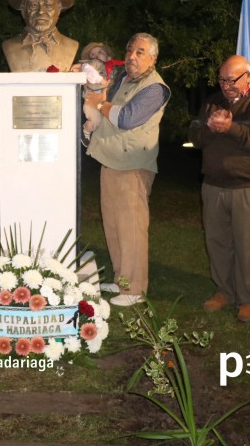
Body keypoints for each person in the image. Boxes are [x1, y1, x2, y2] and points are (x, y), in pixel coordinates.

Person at [84, 33, 171, 306]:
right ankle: (121, 280)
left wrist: (100, 104)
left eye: (140, 52)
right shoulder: (124, 78)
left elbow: (126, 118)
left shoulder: (155, 88)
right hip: (111, 161)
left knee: (131, 230)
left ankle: (134, 289)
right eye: (130, 50)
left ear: (153, 58)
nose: (132, 56)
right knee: (113, 226)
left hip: (133, 167)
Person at [188, 55, 250, 322]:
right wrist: (210, 127)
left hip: (248, 186)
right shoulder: (212, 102)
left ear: (247, 77)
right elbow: (194, 136)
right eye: (221, 80)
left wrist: (230, 128)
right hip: (213, 184)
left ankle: (248, 298)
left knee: (248, 245)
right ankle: (224, 291)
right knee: (217, 242)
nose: (226, 86)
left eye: (231, 80)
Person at [2, 0, 79, 72]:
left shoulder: (71, 46)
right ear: (23, 11)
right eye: (33, 5)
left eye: (48, 5)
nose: (41, 11)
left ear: (58, 10)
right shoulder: (9, 47)